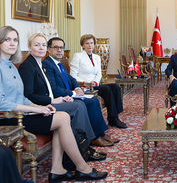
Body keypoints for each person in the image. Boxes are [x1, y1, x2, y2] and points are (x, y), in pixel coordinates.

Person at [0, 26, 107, 182]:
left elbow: (21, 98)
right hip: (10, 119)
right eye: (7, 39)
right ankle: (82, 167)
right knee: (63, 118)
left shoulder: (11, 66)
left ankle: (58, 169)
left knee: (61, 119)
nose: (12, 43)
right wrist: (36, 109)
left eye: (15, 40)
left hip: (23, 113)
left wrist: (38, 107)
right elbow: (2, 102)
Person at [18, 33, 106, 161]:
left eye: (43, 44)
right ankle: (84, 148)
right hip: (41, 106)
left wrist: (64, 98)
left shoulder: (40, 64)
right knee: (78, 106)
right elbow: (28, 95)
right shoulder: (28, 66)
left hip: (51, 101)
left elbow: (58, 84)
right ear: (29, 47)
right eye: (37, 45)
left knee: (81, 104)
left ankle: (84, 147)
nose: (41, 48)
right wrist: (52, 100)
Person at [42, 37, 120, 147]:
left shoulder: (59, 63)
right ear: (48, 50)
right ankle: (95, 137)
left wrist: (77, 88)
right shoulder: (47, 64)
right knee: (91, 102)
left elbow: (71, 79)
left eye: (61, 48)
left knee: (93, 100)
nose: (59, 50)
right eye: (56, 47)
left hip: (72, 92)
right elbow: (54, 89)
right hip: (62, 97)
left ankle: (101, 134)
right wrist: (74, 93)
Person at [68, 34, 127, 128]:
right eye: (87, 43)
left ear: (94, 44)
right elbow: (72, 76)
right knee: (107, 89)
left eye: (91, 43)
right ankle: (113, 118)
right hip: (84, 86)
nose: (89, 45)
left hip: (94, 84)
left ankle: (115, 116)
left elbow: (99, 73)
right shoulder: (77, 56)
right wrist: (85, 83)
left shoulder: (97, 57)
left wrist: (95, 82)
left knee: (115, 86)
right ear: (82, 45)